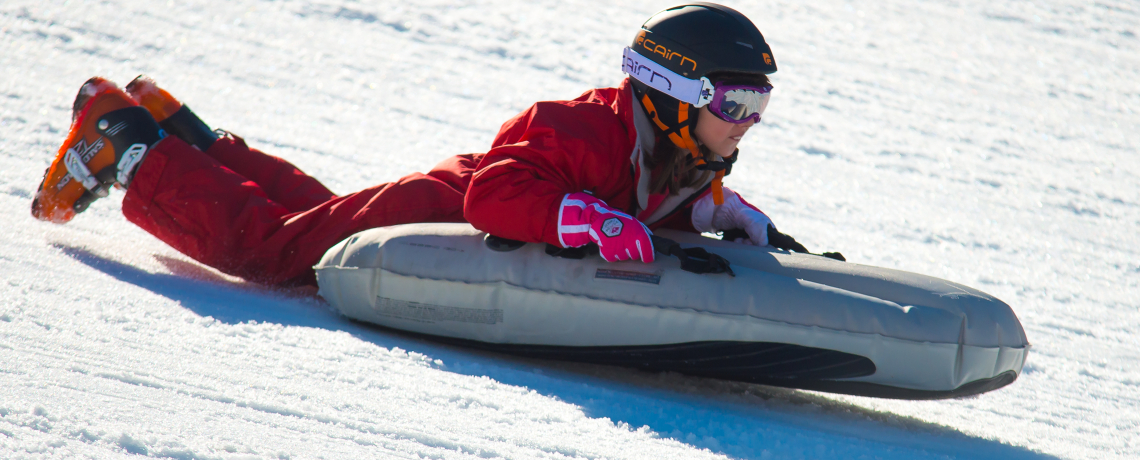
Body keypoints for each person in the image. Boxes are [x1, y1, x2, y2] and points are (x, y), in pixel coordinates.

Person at [32, 3, 817, 288]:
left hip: (442, 208)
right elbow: (497, 196)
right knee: (275, 253)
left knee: (312, 212)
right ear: (675, 95)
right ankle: (127, 143)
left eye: (761, 102)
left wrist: (720, 209)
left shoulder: (680, 154)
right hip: (444, 207)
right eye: (735, 100)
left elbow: (649, 202)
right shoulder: (587, 127)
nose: (749, 119)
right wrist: (584, 219)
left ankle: (181, 133)